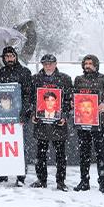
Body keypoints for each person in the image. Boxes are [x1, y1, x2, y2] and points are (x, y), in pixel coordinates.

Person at [73, 54, 104, 196]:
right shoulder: (78, 80)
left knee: (101, 154)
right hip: (83, 123)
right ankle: (84, 181)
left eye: (91, 63)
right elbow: (74, 96)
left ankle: (102, 183)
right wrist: (72, 102)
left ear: (96, 65)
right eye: (86, 63)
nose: (88, 65)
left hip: (101, 123)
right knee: (84, 154)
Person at [30, 54, 72, 191]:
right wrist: (33, 114)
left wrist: (64, 116)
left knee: (60, 154)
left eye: (50, 63)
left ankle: (61, 182)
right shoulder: (35, 79)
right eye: (45, 63)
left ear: (56, 63)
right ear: (42, 64)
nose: (48, 66)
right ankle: (41, 180)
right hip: (41, 122)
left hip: (58, 123)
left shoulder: (65, 79)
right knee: (40, 154)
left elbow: (68, 101)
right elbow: (31, 99)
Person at [0, 45, 33, 186]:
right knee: (2, 145)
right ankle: (2, 175)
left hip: (19, 116)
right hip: (2, 116)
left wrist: (24, 114)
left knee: (21, 148)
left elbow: (29, 95)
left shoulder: (24, 72)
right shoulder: (0, 73)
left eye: (12, 56)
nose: (9, 58)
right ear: (3, 58)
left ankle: (21, 177)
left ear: (15, 57)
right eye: (7, 56)